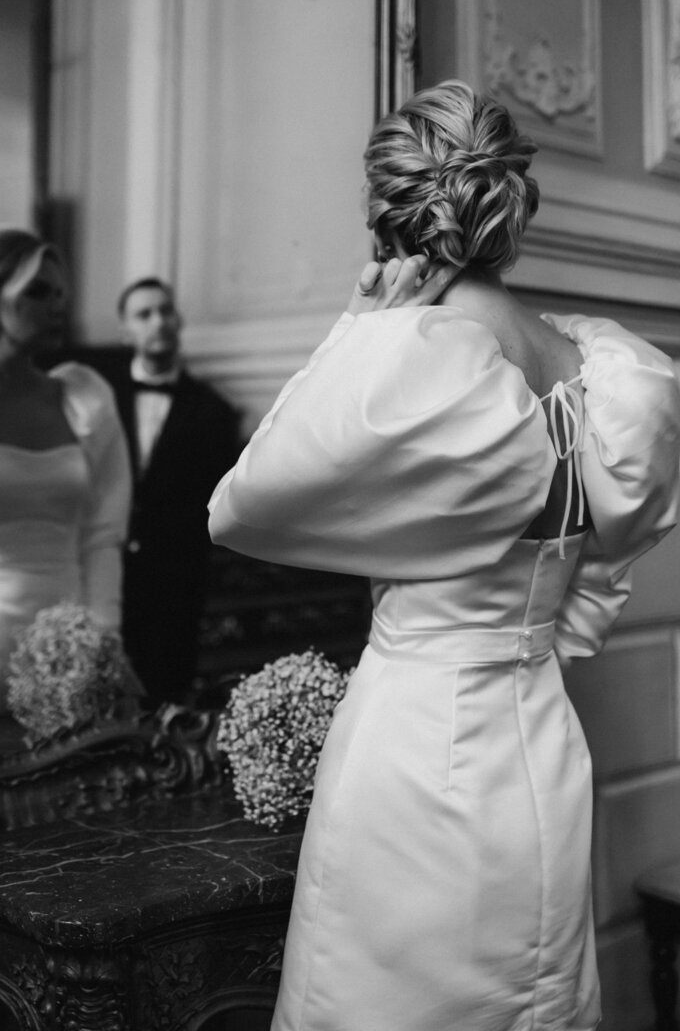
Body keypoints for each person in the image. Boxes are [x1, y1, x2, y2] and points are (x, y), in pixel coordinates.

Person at [208, 80, 680, 1030]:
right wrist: (537, 642)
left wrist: (355, 327)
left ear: (391, 216)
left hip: (414, 749)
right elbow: (603, 559)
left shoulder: (419, 357)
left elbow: (237, 507)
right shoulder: (604, 371)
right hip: (540, 740)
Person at [0, 228, 132, 739]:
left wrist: (99, 643)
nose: (56, 306)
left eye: (60, 293)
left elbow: (102, 535)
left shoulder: (84, 396)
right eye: (37, 291)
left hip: (64, 655)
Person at [109, 277, 241, 705]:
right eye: (144, 314)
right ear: (124, 330)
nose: (158, 322)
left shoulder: (213, 411)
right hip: (106, 571)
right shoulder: (98, 397)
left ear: (179, 320)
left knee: (167, 696)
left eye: (166, 311)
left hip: (176, 581)